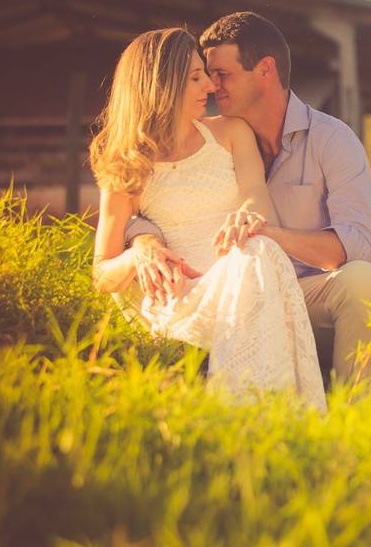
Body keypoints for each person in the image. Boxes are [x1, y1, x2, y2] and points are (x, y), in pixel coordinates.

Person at [125, 12, 371, 389]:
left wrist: (269, 235)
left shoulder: (333, 141)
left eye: (223, 74)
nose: (211, 86)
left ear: (265, 70)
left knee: (363, 280)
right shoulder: (215, 139)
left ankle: (357, 412)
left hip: (306, 298)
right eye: (204, 74)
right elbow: (157, 191)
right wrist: (142, 235)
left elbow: (358, 247)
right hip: (230, 299)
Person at [90, 28, 327, 410]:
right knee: (258, 255)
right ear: (161, 85)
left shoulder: (230, 133)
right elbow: (101, 274)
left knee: (259, 249)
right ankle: (255, 410)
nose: (211, 87)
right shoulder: (126, 164)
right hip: (181, 297)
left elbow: (255, 195)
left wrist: (246, 216)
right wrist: (139, 255)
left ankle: (248, 406)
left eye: (207, 74)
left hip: (240, 276)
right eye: (196, 77)